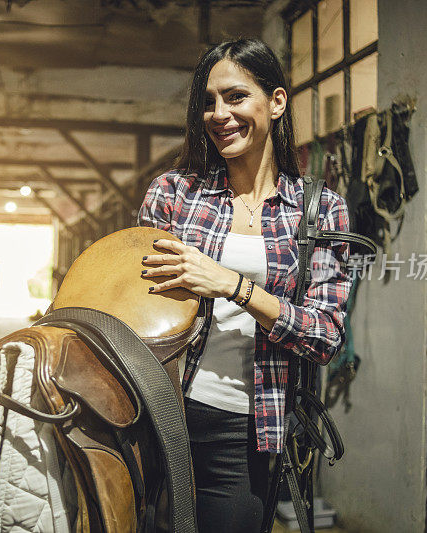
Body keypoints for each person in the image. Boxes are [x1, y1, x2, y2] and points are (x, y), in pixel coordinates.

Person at [137, 39, 351, 532]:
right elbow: (136, 307)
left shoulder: (317, 212)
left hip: (244, 427)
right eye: (209, 101)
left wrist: (236, 286)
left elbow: (324, 336)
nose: (219, 114)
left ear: (276, 102)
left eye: (235, 97)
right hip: (160, 409)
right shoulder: (174, 194)